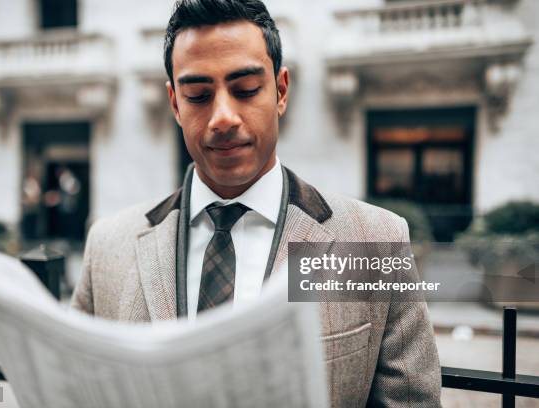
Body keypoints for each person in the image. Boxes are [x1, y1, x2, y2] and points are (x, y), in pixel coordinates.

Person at [71, 0, 441, 406]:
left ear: (281, 90)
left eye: (246, 90)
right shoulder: (108, 246)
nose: (223, 117)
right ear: (175, 104)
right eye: (198, 96)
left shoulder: (375, 239)